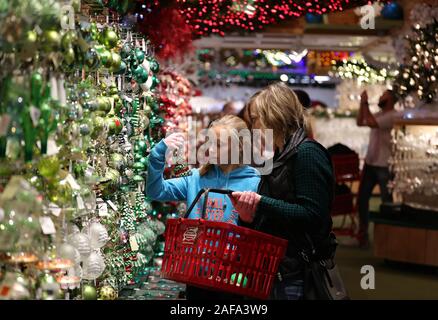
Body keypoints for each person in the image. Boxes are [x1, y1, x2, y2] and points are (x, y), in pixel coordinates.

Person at [230, 82, 335, 300]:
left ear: (274, 116)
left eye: (256, 119)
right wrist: (249, 216)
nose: (254, 127)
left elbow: (313, 215)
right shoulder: (282, 154)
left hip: (297, 272)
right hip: (278, 269)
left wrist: (260, 203)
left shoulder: (306, 154)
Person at [146, 115, 260, 300]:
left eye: (218, 144)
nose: (210, 149)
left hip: (234, 279)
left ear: (238, 146)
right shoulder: (195, 177)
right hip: (196, 274)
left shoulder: (254, 182)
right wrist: (158, 153)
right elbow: (156, 191)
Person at [356, 89, 401, 248]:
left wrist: (366, 103)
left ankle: (388, 238)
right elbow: (360, 122)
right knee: (362, 200)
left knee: (386, 201)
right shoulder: (380, 114)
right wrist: (362, 103)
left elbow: (371, 123)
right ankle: (363, 234)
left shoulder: (392, 116)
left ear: (390, 99)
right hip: (371, 162)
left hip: (384, 164)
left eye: (384, 95)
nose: (380, 96)